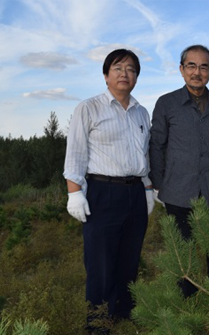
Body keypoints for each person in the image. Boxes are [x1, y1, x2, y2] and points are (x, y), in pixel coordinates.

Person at [63, 49, 154, 334]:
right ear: (105, 75)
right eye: (117, 68)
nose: (124, 73)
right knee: (101, 264)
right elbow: (76, 153)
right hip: (102, 192)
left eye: (131, 69)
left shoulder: (141, 112)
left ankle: (123, 314)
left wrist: (148, 187)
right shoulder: (88, 108)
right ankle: (98, 323)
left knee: (129, 260)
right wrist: (74, 192)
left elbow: (145, 154)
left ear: (136, 77)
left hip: (136, 193)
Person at [148, 44, 209, 297]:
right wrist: (159, 184)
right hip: (178, 192)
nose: (197, 72)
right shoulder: (167, 103)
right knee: (183, 255)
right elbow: (157, 145)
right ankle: (186, 304)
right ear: (181, 69)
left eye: (203, 66)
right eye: (191, 66)